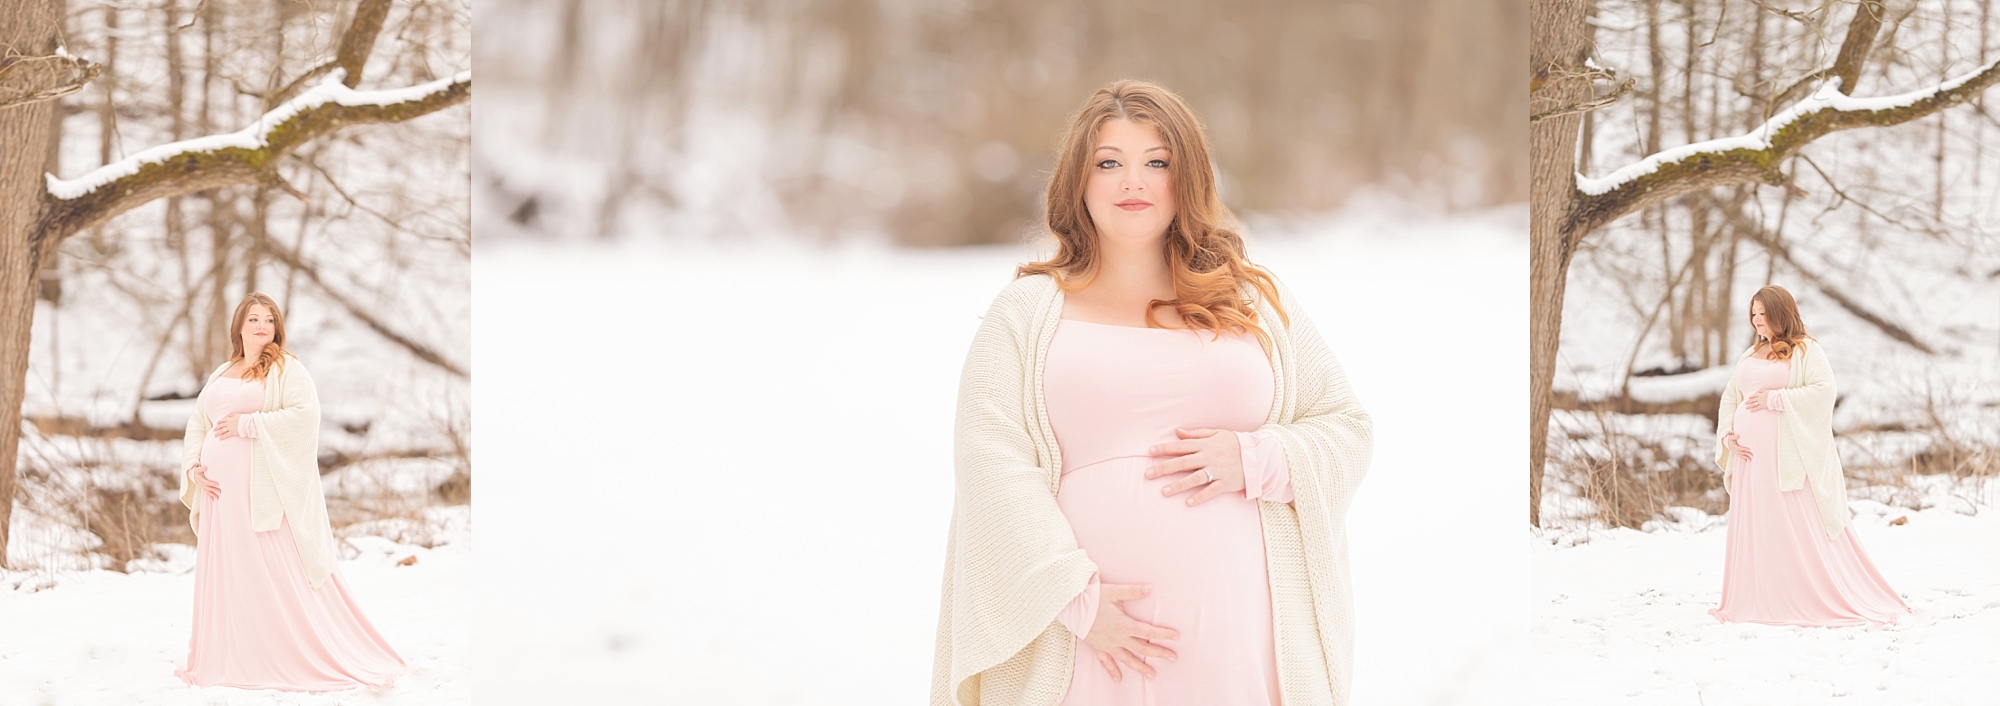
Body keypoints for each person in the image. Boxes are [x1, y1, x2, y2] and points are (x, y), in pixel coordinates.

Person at [930, 80, 1372, 706]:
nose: (1132, 181)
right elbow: (991, 465)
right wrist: (1074, 599)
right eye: (1109, 162)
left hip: (1238, 640)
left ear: (1185, 178)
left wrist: (1256, 460)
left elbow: (1346, 427)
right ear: (1078, 183)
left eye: (1156, 162)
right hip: (1083, 643)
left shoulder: (1249, 299)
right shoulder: (1026, 314)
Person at [176, 293, 406, 689]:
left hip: (261, 490)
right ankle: (235, 651)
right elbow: (199, 422)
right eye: (253, 319)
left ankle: (280, 651)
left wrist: (249, 424)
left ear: (277, 328)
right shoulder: (222, 372)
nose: (262, 326)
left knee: (273, 569)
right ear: (239, 327)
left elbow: (305, 416)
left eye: (269, 319)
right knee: (233, 570)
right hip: (218, 494)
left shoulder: (286, 368)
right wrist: (193, 467)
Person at [1710, 285, 1911, 626]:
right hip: (1749, 458)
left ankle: (1802, 594)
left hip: (1787, 456)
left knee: (1795, 522)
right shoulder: (1750, 354)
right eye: (1754, 314)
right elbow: (1731, 396)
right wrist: (1728, 436)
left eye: (1764, 314)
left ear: (1781, 313)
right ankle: (1762, 595)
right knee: (1761, 523)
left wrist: (1777, 399)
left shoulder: (1806, 350)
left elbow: (1823, 391)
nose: (1758, 321)